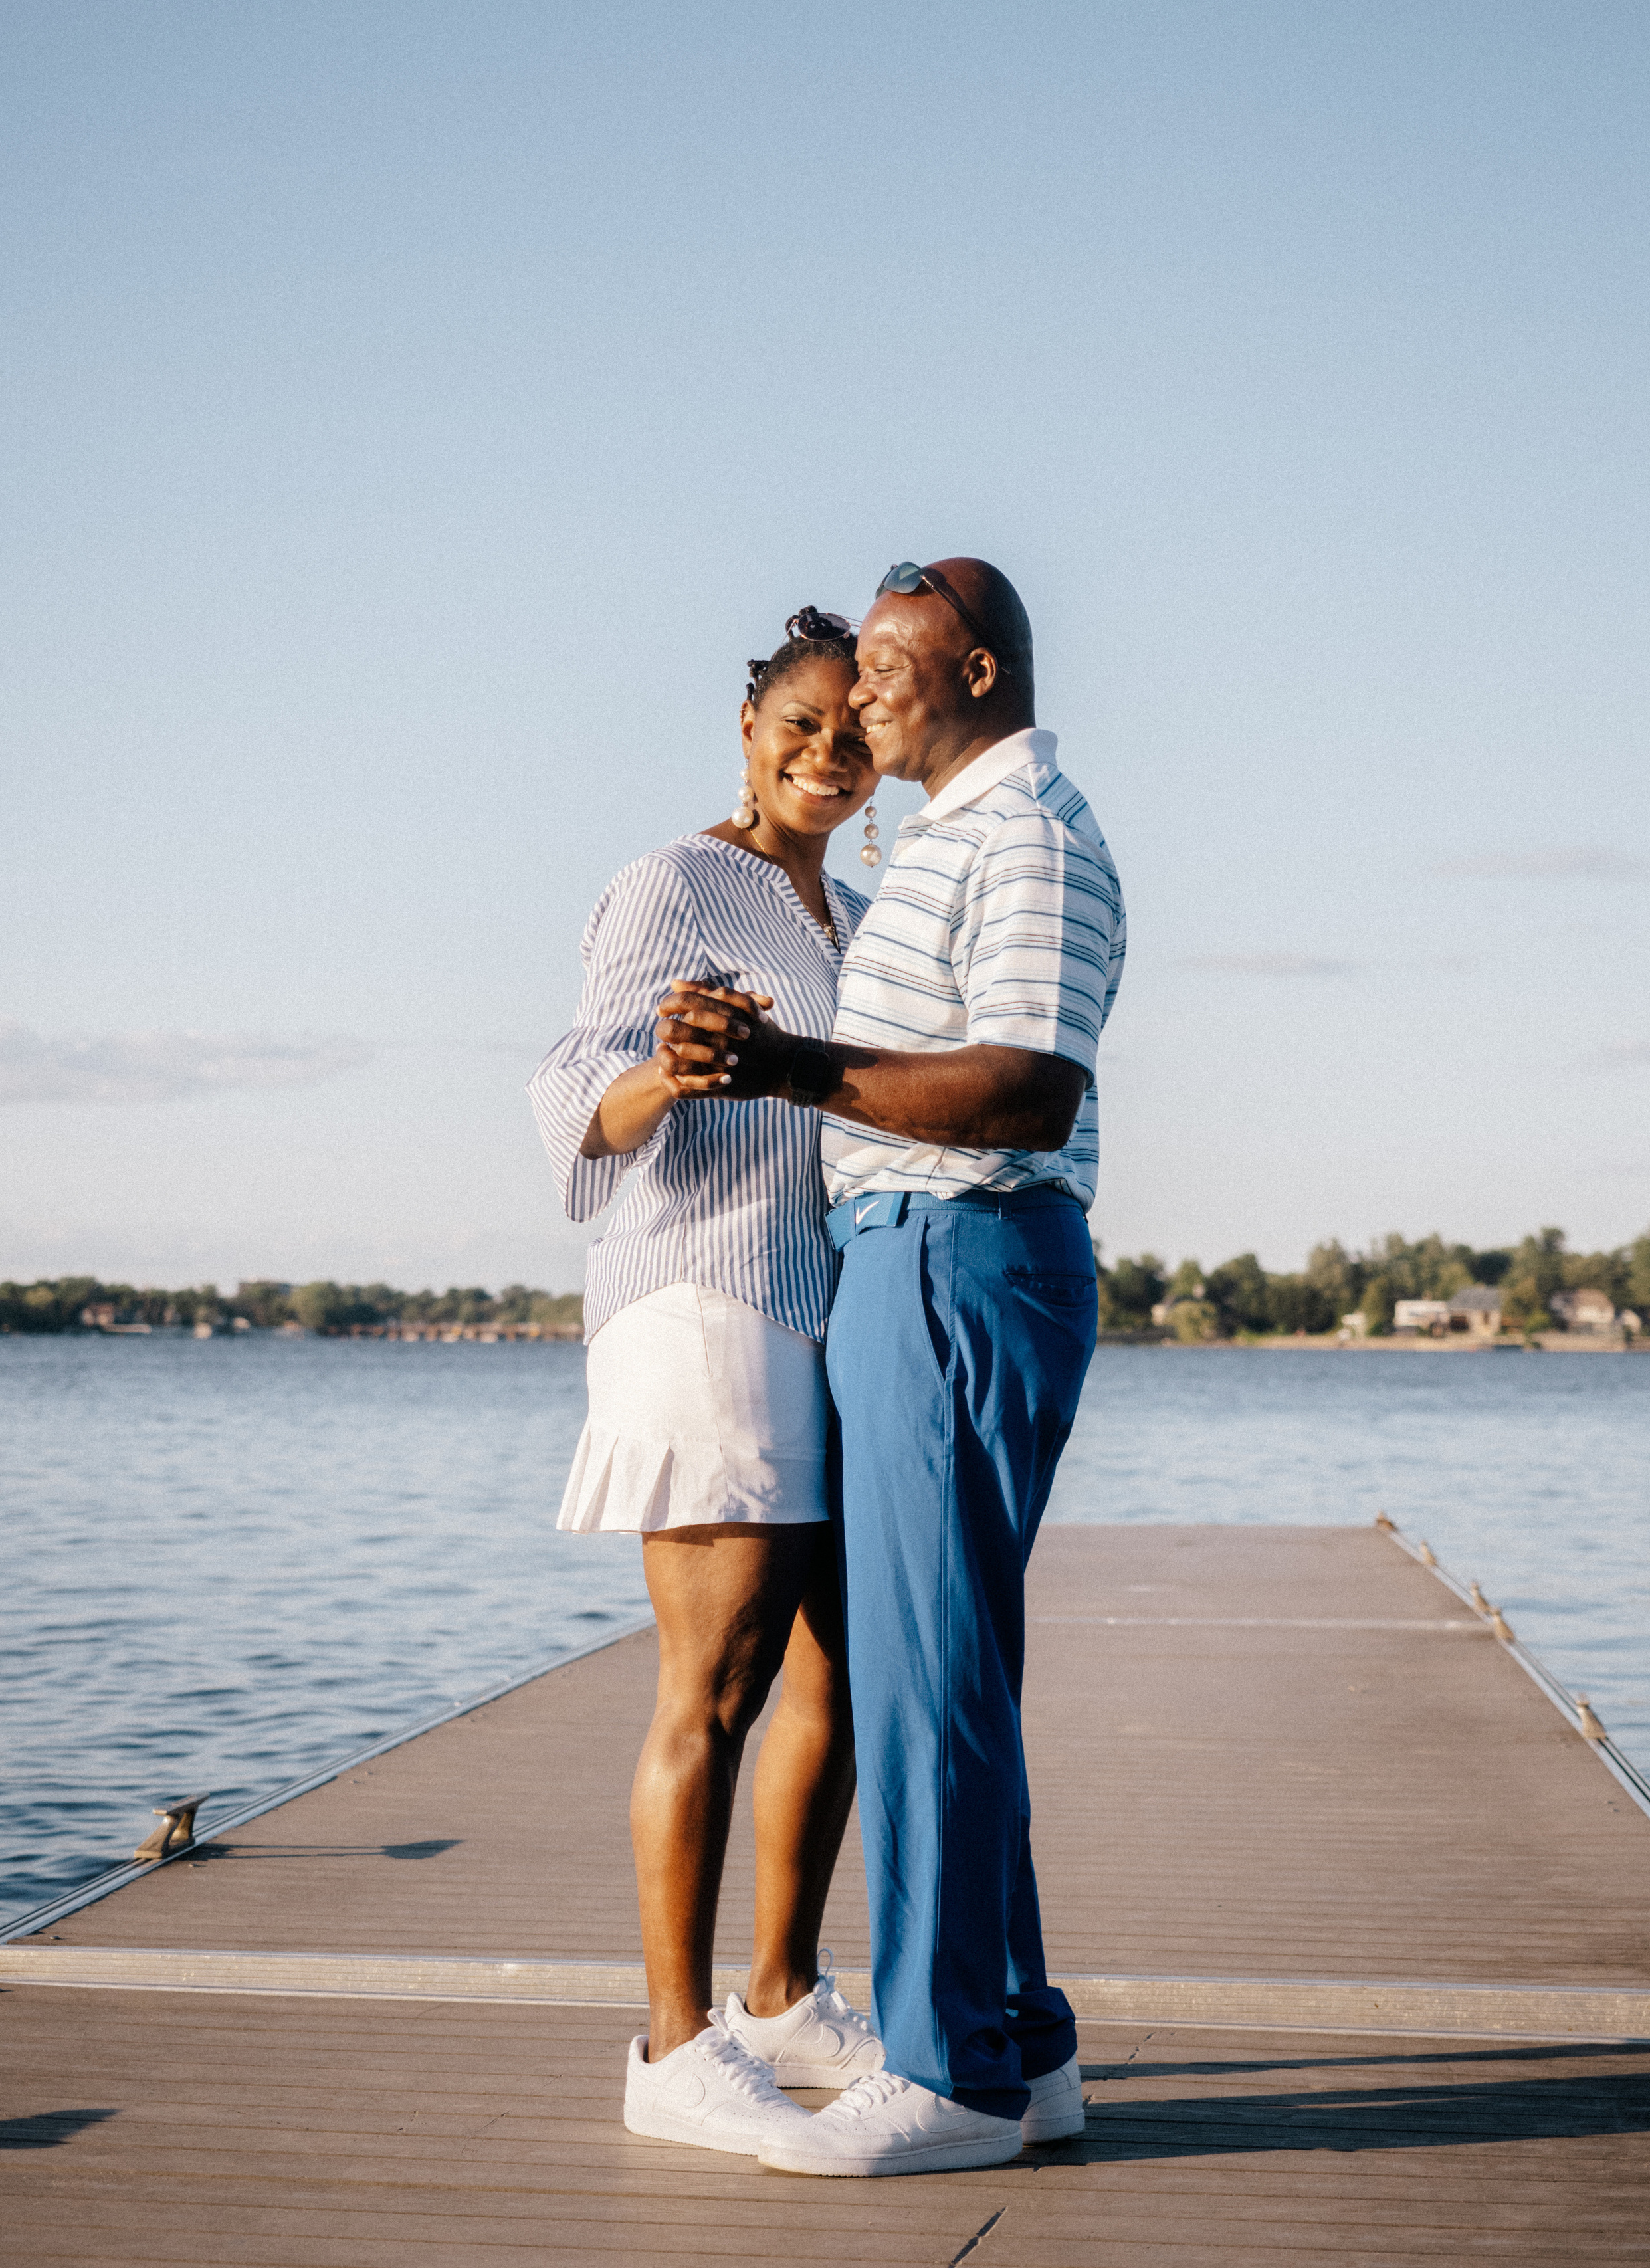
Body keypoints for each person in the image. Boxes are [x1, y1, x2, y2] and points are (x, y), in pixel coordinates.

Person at [693, 559, 1126, 2178]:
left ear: (981, 673)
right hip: (917, 1261)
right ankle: (1019, 2045)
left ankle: (947, 2078)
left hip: (957, 1252)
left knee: (922, 1684)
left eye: (891, 663)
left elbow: (1022, 1089)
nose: (862, 690)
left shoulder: (1027, 838)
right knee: (943, 1675)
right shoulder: (951, 836)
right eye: (855, 665)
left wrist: (790, 1066)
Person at [527, 609, 888, 2159]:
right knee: (716, 1684)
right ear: (748, 726)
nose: (828, 752)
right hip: (701, 1298)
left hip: (827, 1310)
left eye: (855, 733)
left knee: (842, 1671)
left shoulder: (860, 912)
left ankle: (781, 1999)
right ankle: (671, 2048)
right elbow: (577, 1082)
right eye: (801, 723)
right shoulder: (671, 881)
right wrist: (665, 1073)